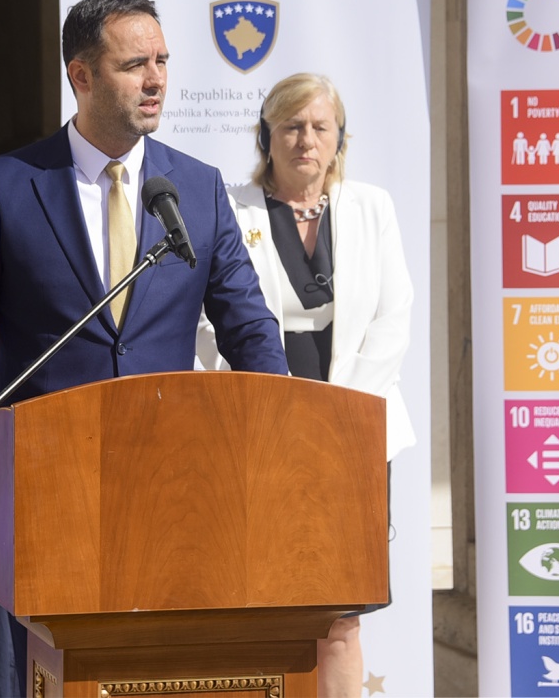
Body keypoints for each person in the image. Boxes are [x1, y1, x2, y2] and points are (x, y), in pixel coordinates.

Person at [0, 0, 289, 695]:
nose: (156, 80)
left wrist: (280, 424)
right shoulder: (7, 185)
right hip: (50, 482)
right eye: (134, 65)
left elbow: (248, 328)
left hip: (176, 483)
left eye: (162, 62)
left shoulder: (198, 189)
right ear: (81, 75)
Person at [197, 72, 416, 698]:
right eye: (291, 126)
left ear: (340, 138)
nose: (306, 140)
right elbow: (208, 322)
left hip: (355, 431)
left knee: (341, 614)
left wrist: (341, 416)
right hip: (260, 423)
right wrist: (274, 406)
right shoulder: (229, 206)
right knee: (265, 601)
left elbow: (393, 319)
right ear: (265, 135)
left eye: (321, 127)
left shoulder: (372, 207)